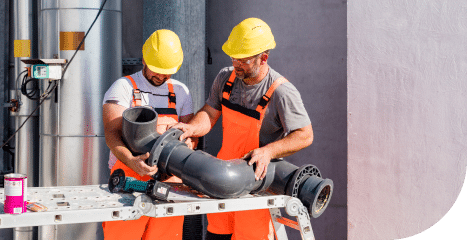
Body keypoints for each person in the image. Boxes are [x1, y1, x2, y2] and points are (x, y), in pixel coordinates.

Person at [171, 18, 314, 240]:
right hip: (222, 179)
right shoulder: (225, 78)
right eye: (233, 57)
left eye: (243, 60)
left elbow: (304, 135)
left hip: (256, 186)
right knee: (217, 235)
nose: (236, 63)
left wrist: (268, 151)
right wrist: (190, 129)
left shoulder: (281, 92)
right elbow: (210, 112)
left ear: (263, 58)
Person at [101, 29, 194, 240]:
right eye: (156, 70)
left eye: (167, 71)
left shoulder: (181, 92)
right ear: (143, 59)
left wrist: (189, 143)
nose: (160, 76)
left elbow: (191, 133)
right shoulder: (123, 88)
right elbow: (112, 135)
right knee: (123, 236)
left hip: (170, 182)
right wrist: (132, 161)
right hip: (128, 179)